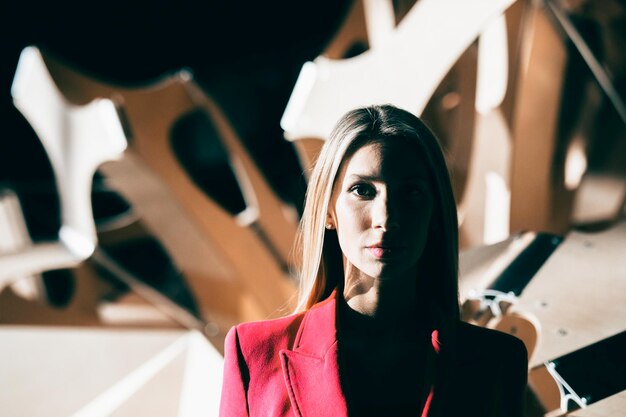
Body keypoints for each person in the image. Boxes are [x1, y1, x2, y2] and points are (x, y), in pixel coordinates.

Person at [219, 104, 528, 416]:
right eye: (363, 190)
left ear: (435, 211)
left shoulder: (497, 362)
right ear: (328, 210)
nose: (386, 217)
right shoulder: (254, 354)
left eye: (411, 193)